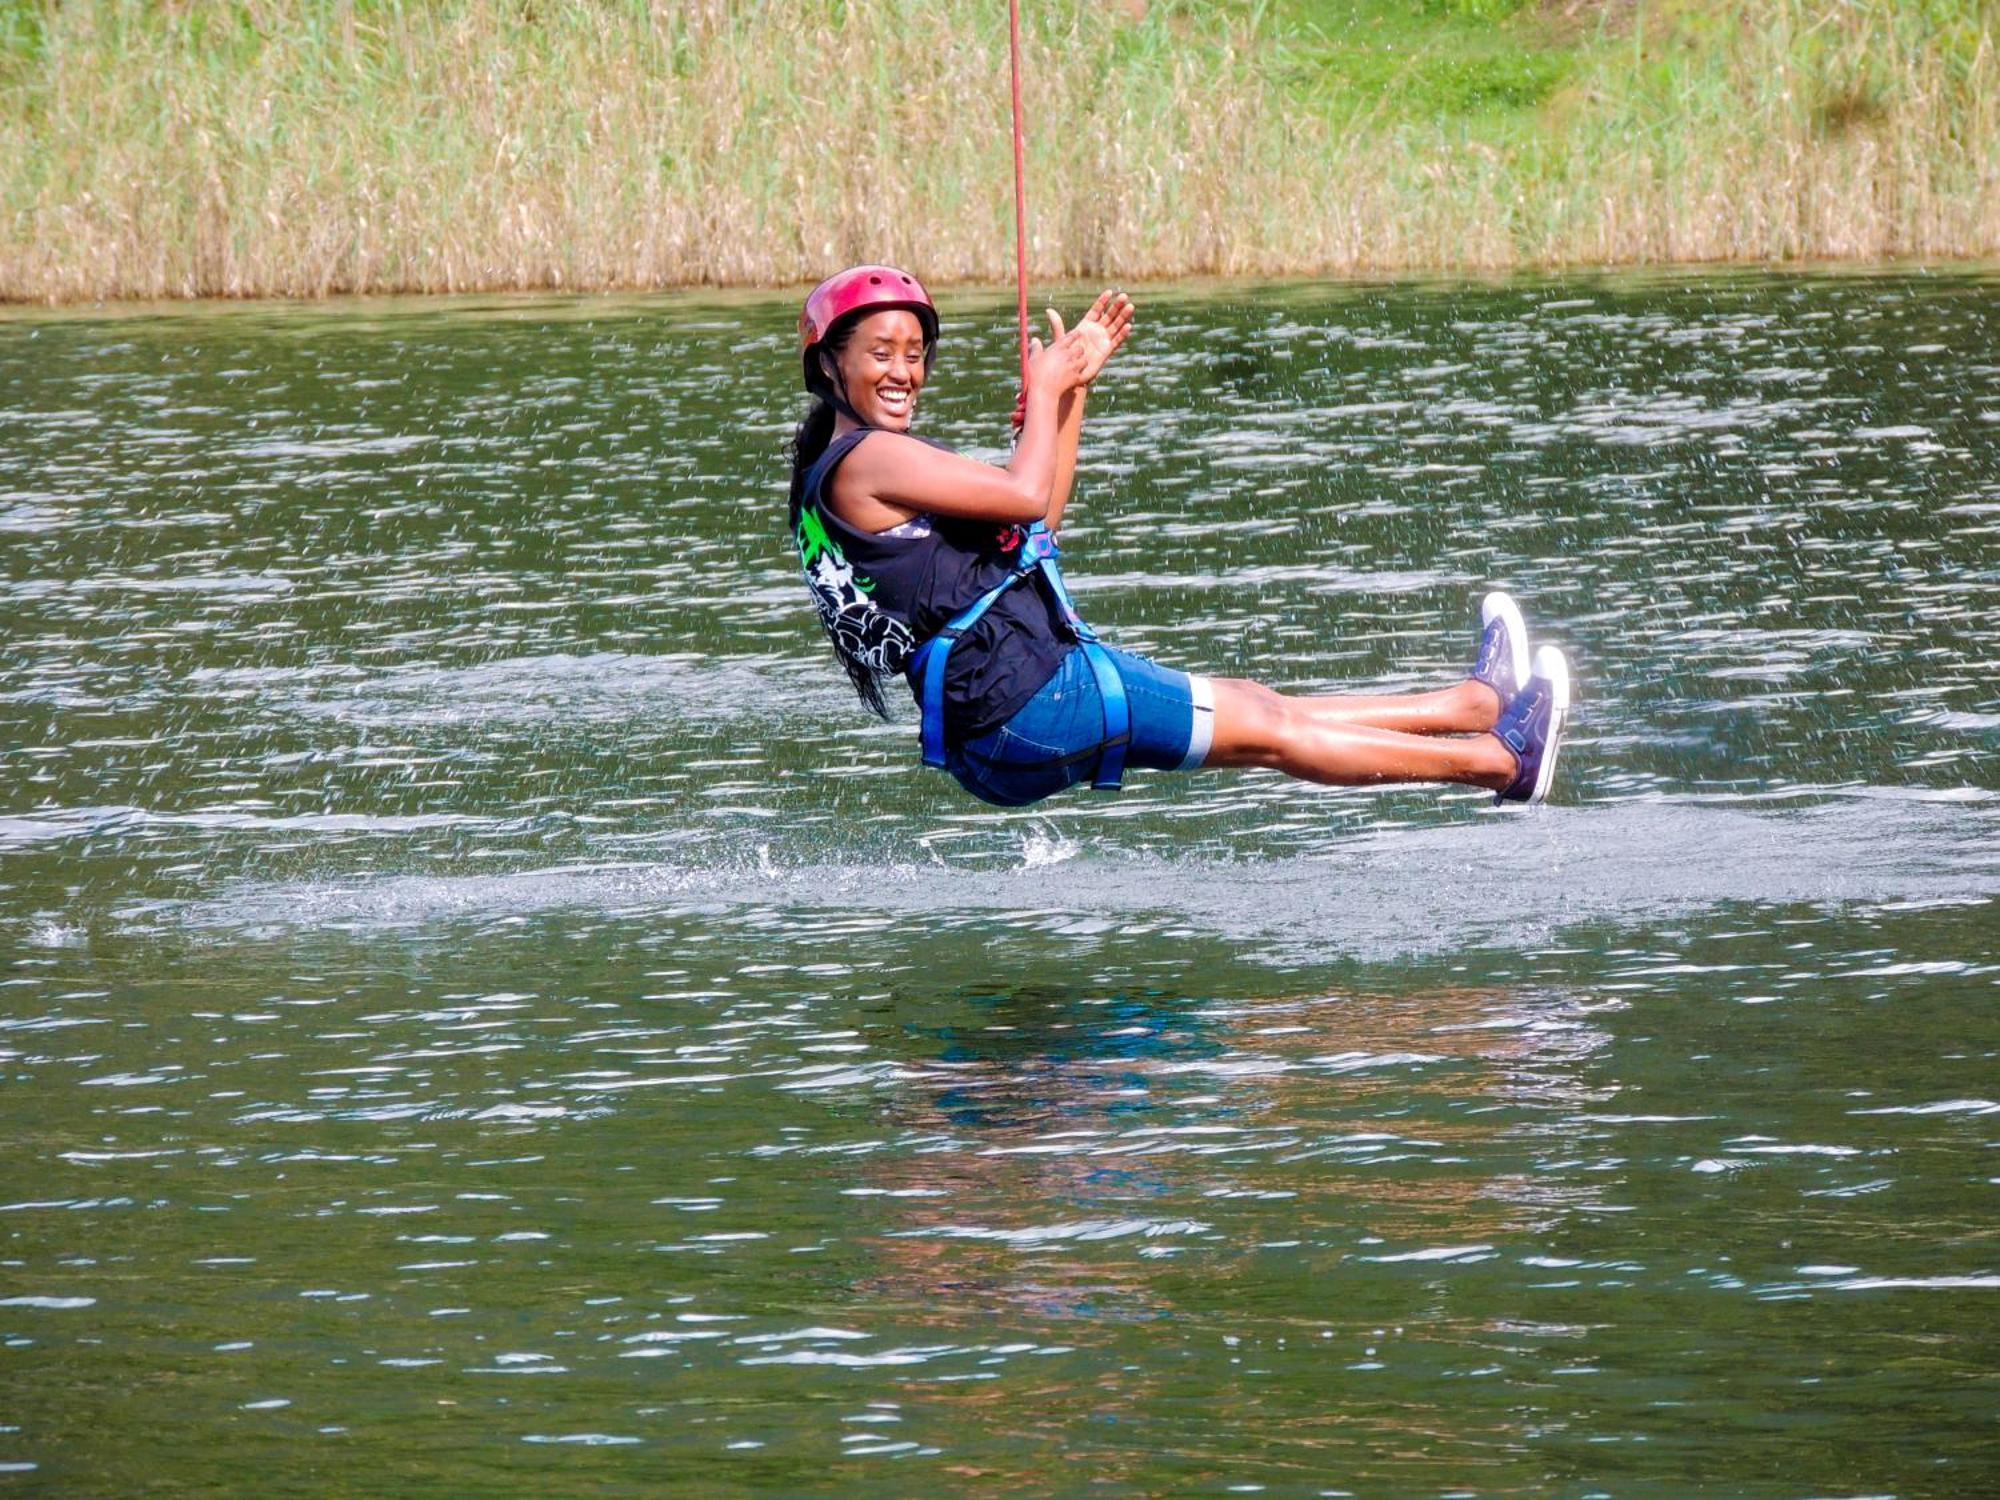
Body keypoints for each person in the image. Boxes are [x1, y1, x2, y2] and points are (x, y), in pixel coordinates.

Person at [785, 264, 1569, 810]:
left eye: (915, 355)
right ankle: (1500, 763)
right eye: (880, 354)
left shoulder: (847, 472)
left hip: (1006, 718)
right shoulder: (870, 460)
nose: (903, 372)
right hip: (1029, 701)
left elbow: (1038, 523)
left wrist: (1070, 398)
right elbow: (1024, 492)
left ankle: (1469, 706)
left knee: (1263, 711)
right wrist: (1049, 383)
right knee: (1274, 734)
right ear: (828, 364)